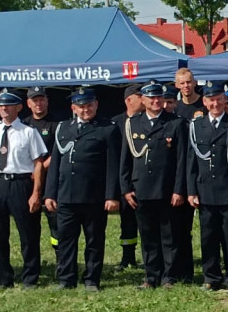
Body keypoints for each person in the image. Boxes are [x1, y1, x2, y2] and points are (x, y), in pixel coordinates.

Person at [43, 87, 121, 291]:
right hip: (66, 195)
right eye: (81, 106)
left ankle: (91, 279)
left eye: (89, 105)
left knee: (94, 240)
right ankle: (66, 278)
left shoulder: (107, 128)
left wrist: (111, 195)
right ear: (73, 108)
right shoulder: (63, 129)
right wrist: (50, 193)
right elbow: (55, 164)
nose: (86, 109)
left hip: (93, 196)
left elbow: (113, 165)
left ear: (96, 105)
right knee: (66, 240)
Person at [0, 91, 48, 289]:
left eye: (8, 105)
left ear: (18, 107)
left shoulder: (28, 131)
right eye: (1, 106)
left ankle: (30, 277)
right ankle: (4, 278)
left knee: (28, 233)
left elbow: (38, 163)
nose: (4, 109)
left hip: (20, 183)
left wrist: (36, 192)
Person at [120, 82, 187, 289]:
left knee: (169, 235)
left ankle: (169, 276)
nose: (156, 101)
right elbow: (126, 159)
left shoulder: (175, 123)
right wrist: (125, 188)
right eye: (151, 98)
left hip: (166, 189)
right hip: (142, 188)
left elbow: (181, 160)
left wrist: (179, 189)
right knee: (148, 235)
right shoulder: (133, 123)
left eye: (159, 97)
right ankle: (151, 276)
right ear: (144, 100)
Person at [186, 82, 228, 291]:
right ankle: (211, 276)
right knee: (208, 237)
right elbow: (191, 161)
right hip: (205, 190)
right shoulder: (197, 127)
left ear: (224, 100)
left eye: (218, 99)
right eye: (211, 100)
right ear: (204, 102)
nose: (215, 103)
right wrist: (191, 190)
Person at [25, 86, 61, 260]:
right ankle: (33, 261)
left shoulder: (57, 123)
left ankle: (60, 258)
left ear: (47, 101)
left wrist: (43, 166)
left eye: (41, 100)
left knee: (56, 224)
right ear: (28, 104)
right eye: (34, 100)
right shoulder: (23, 125)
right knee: (29, 225)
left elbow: (59, 150)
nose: (38, 104)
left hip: (51, 180)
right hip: (28, 181)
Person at [111, 84, 143, 270]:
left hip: (141, 179)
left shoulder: (144, 121)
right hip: (122, 180)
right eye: (140, 96)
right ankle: (127, 256)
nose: (144, 99)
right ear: (129, 100)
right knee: (127, 222)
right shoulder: (116, 123)